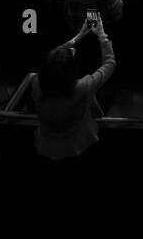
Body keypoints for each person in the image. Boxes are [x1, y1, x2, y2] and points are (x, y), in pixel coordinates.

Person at [33, 15, 116, 161]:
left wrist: (79, 35)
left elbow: (53, 60)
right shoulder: (84, 87)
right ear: (71, 71)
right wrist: (102, 35)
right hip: (79, 144)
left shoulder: (36, 83)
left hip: (47, 144)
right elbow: (109, 63)